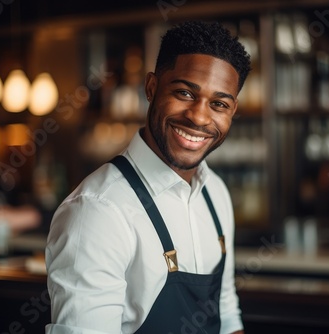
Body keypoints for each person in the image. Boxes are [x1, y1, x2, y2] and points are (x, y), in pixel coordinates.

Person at [45, 20, 250, 334]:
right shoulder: (97, 211)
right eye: (184, 92)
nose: (198, 116)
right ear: (152, 88)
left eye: (218, 104)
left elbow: (226, 312)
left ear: (232, 111)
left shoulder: (216, 193)